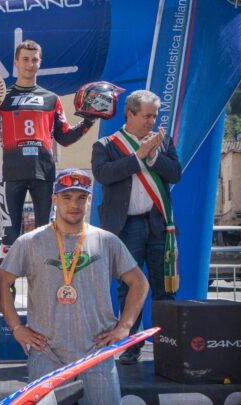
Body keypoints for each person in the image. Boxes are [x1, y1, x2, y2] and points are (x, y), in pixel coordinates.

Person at [0, 169, 149, 405]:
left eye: (81, 197)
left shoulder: (106, 241)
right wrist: (16, 326)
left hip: (96, 354)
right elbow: (3, 281)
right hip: (47, 355)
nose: (74, 204)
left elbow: (140, 283)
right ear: (54, 199)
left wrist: (124, 327)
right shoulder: (30, 242)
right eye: (67, 197)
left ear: (89, 200)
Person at [0, 40, 95, 247]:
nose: (30, 64)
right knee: (11, 239)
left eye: (34, 60)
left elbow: (65, 137)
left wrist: (88, 122)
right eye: (25, 59)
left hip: (44, 174)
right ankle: (9, 280)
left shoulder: (52, 99)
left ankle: (47, 279)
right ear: (16, 62)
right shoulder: (1, 99)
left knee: (49, 235)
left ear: (40, 63)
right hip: (11, 174)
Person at [91, 89, 182, 364]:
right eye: (146, 116)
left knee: (163, 287)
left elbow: (175, 173)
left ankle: (169, 345)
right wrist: (138, 156)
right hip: (125, 225)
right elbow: (103, 175)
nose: (151, 122)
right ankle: (131, 344)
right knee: (128, 287)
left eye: (154, 116)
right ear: (129, 114)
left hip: (157, 224)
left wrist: (153, 157)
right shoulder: (107, 144)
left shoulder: (162, 143)